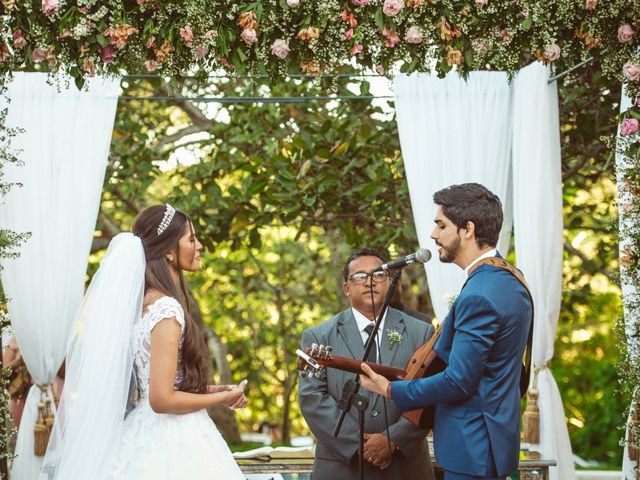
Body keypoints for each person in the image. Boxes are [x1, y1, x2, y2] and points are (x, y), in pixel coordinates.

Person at [41, 205, 247, 479]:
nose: (199, 246)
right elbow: (161, 400)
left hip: (145, 429)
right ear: (169, 252)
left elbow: (161, 382)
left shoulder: (143, 305)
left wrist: (214, 389)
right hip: (172, 440)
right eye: (191, 239)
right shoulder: (165, 309)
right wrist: (222, 398)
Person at [359, 183, 533, 480]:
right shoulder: (510, 279)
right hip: (492, 442)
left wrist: (390, 389)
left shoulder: (479, 292)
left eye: (441, 225)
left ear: (467, 229)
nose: (433, 234)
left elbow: (458, 381)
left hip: (472, 449)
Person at [298, 248, 436, 480]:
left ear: (391, 281)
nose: (369, 282)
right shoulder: (318, 336)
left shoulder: (422, 333)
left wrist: (393, 440)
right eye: (359, 277)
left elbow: (432, 394)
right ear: (346, 288)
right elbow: (312, 399)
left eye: (378, 274)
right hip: (341, 467)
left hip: (406, 467)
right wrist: (360, 445)